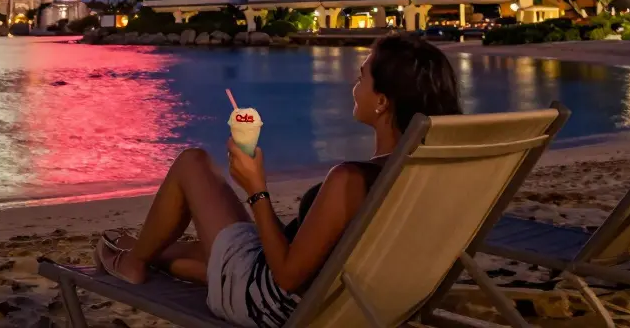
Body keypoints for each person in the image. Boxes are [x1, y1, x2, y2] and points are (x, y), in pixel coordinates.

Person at [94, 33, 463, 328]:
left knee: (194, 162)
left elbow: (285, 277)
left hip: (273, 305)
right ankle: (140, 249)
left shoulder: (351, 180)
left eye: (361, 76)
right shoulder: (432, 174)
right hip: (356, 300)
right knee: (217, 252)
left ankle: (134, 261)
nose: (354, 85)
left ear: (382, 102)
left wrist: (257, 190)